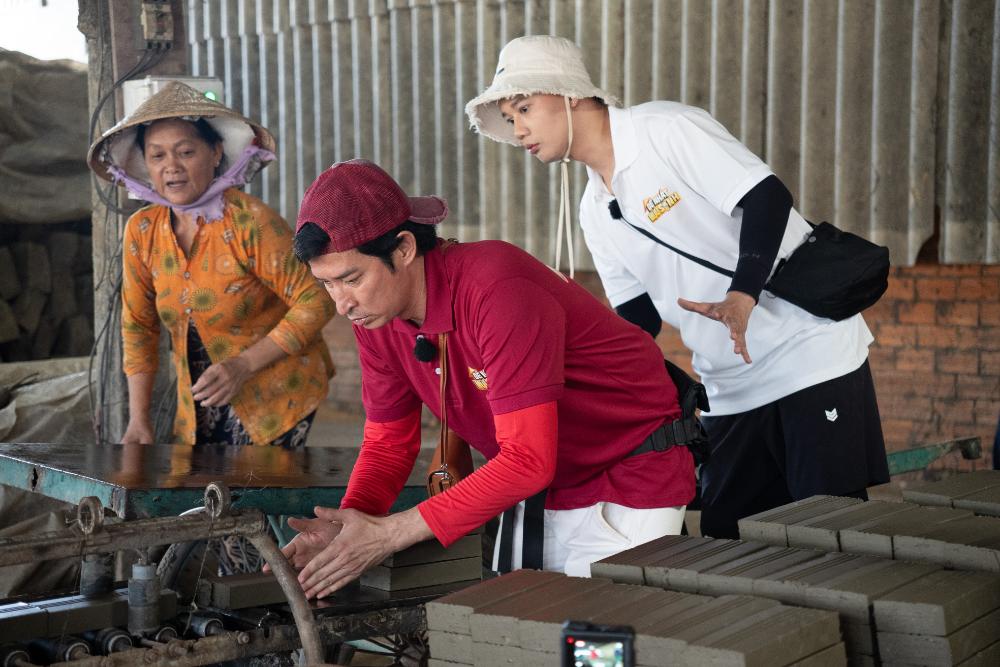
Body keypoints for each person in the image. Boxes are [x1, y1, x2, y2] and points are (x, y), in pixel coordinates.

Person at [465, 35, 889, 538]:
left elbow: (767, 196)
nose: (519, 130)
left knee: (829, 537)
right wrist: (564, 351)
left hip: (809, 355)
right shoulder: (594, 210)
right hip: (729, 389)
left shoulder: (664, 130)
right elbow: (638, 321)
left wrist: (742, 294)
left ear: (571, 94)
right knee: (729, 545)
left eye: (524, 109)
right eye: (509, 118)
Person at [278, 159, 696, 599]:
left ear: (403, 249)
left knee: (609, 631)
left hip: (628, 478)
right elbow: (388, 444)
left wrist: (391, 533)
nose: (342, 304)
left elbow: (528, 459)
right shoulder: (376, 317)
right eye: (327, 284)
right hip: (538, 488)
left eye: (351, 279)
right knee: (518, 628)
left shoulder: (496, 285)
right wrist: (348, 529)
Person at [87, 82, 335, 447]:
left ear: (216, 153)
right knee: (205, 481)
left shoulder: (250, 222)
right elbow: (138, 326)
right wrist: (139, 420)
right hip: (198, 402)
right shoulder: (142, 231)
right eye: (157, 156)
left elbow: (317, 298)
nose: (171, 167)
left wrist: (243, 365)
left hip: (277, 393)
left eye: (186, 152)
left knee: (257, 483)